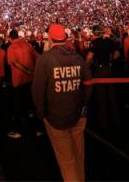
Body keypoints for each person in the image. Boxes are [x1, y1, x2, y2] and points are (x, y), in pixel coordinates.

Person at [32, 24, 92, 182]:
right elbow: (88, 83)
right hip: (78, 113)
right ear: (65, 38)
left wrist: (41, 113)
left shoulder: (44, 60)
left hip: (55, 117)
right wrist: (84, 105)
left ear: (50, 39)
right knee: (79, 155)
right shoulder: (77, 57)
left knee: (67, 161)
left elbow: (37, 90)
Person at [86, 25, 120, 130]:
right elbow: (117, 54)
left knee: (101, 97)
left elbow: (89, 57)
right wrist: (110, 60)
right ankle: (116, 120)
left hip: (99, 70)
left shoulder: (95, 43)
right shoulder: (110, 41)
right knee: (111, 95)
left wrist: (86, 67)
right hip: (108, 69)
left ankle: (103, 123)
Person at [6, 29, 38, 139]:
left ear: (10, 38)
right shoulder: (27, 44)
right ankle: (37, 129)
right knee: (30, 105)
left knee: (18, 106)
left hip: (19, 80)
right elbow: (37, 56)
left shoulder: (11, 47)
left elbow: (14, 62)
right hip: (30, 79)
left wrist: (25, 70)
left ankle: (17, 130)